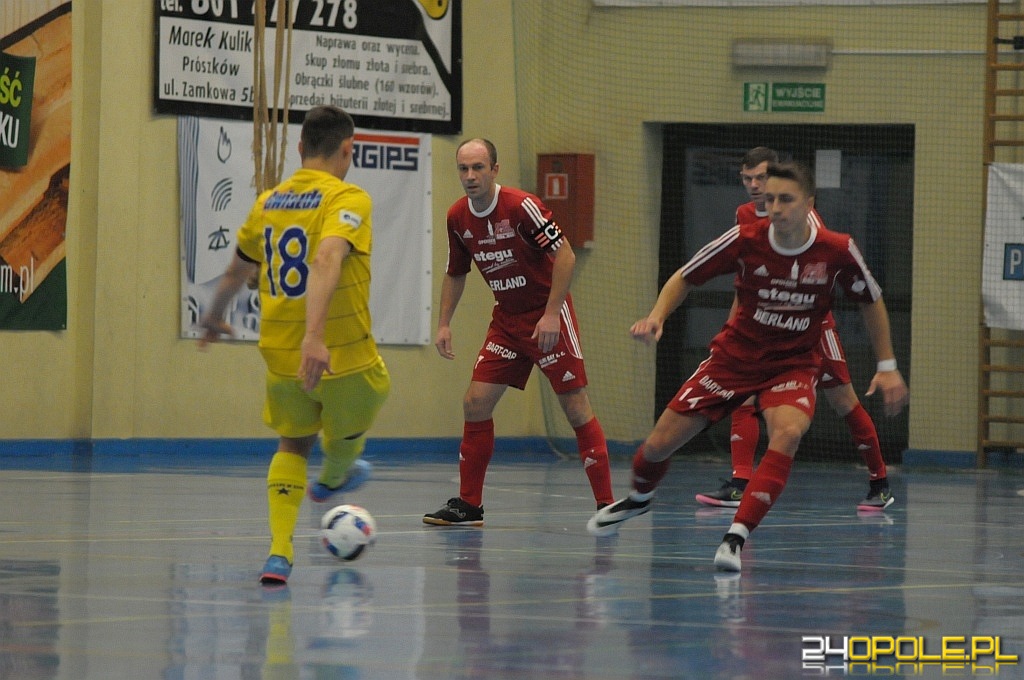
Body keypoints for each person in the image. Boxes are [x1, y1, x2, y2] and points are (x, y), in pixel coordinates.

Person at [587, 161, 908, 572]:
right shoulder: (745, 238)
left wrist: (887, 365)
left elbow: (871, 300)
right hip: (733, 359)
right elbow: (686, 276)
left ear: (809, 203)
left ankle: (735, 537)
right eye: (769, 199)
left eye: (785, 199)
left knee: (788, 432)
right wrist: (656, 317)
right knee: (656, 447)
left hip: (792, 364)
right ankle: (638, 499)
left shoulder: (837, 249)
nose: (775, 208)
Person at [198, 106, 391, 585]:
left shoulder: (268, 202)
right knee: (360, 413)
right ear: (348, 149)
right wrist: (315, 337)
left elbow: (237, 270)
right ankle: (334, 477)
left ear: (300, 148)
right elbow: (327, 257)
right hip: (340, 353)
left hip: (281, 354)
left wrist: (214, 315)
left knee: (293, 443)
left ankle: (279, 555)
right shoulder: (349, 197)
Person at [423, 138, 614, 527]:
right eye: (463, 168)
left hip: (546, 316)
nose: (470, 176)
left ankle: (607, 505)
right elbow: (456, 272)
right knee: (476, 403)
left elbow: (565, 255)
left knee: (575, 407)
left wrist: (552, 314)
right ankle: (469, 505)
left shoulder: (521, 206)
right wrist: (443, 323)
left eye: (478, 167)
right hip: (507, 323)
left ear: (495, 169)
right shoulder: (457, 217)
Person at [696, 147, 894, 512]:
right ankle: (740, 482)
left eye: (760, 178)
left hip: (811, 325)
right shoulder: (745, 217)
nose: (754, 186)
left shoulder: (804, 219)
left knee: (843, 400)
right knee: (743, 394)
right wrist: (732, 327)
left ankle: (879, 482)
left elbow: (823, 271)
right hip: (765, 328)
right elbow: (748, 283)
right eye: (747, 179)